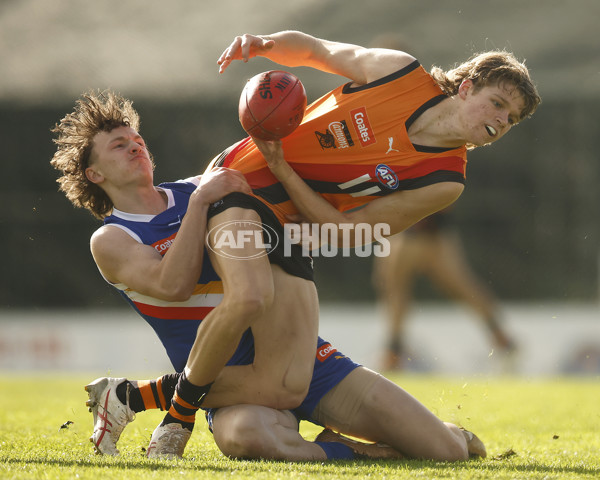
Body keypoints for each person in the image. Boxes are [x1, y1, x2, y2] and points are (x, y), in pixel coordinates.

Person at [51, 91, 485, 462]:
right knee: (249, 437)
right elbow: (172, 285)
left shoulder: (205, 186)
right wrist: (201, 204)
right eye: (119, 145)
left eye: (137, 138)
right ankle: (350, 451)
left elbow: (291, 204)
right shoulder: (112, 238)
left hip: (301, 360)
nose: (135, 146)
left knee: (446, 452)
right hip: (226, 382)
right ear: (95, 175)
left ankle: (140, 396)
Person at [372, 210, 516, 371]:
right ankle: (504, 342)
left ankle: (393, 354)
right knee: (463, 287)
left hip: (415, 229)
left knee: (396, 290)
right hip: (425, 229)